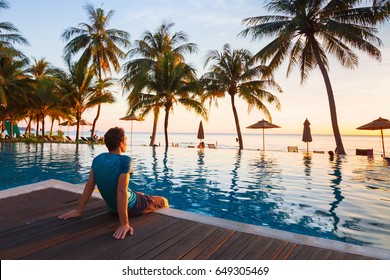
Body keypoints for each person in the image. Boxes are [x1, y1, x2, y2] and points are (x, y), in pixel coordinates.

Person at [58, 127, 169, 239]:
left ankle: (141, 196)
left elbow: (90, 185)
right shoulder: (125, 161)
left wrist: (79, 211)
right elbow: (121, 191)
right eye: (125, 140)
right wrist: (124, 224)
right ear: (121, 143)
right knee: (163, 200)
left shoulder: (97, 159)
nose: (126, 142)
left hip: (113, 207)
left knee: (139, 194)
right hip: (131, 207)